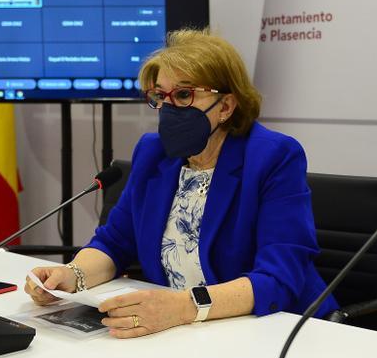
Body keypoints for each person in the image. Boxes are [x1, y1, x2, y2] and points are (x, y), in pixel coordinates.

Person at [25, 29, 338, 336]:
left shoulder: (273, 158)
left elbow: (279, 277)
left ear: (226, 106)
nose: (169, 108)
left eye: (185, 95)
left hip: (275, 331)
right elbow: (115, 243)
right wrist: (70, 276)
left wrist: (181, 307)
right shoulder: (154, 153)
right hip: (185, 334)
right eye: (161, 96)